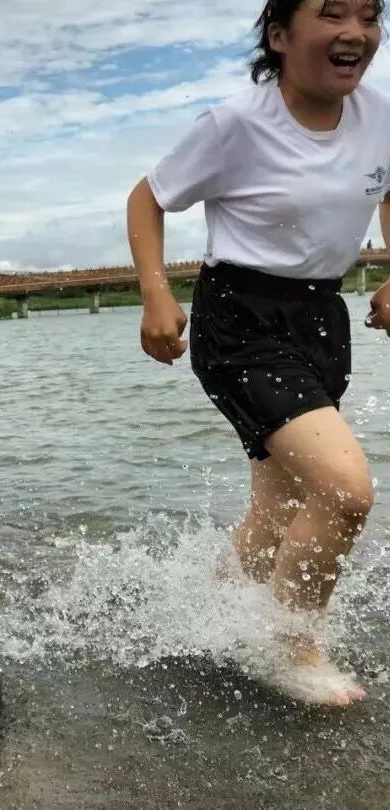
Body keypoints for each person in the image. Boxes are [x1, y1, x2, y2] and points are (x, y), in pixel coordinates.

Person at [127, 0, 390, 706]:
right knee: (344, 492)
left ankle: (216, 613)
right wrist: (155, 295)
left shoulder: (380, 116)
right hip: (241, 321)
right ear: (279, 36)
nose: (356, 33)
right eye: (333, 14)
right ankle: (291, 646)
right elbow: (147, 198)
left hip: (321, 319)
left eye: (370, 16)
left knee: (279, 510)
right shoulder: (236, 124)